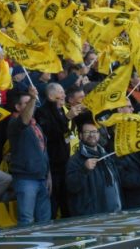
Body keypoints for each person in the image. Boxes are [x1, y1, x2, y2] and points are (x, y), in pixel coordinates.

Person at [35, 82, 82, 218]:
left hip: (66, 163)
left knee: (67, 203)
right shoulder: (42, 112)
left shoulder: (62, 110)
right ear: (51, 95)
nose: (64, 95)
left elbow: (66, 134)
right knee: (53, 203)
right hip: (52, 166)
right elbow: (50, 135)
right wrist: (67, 118)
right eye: (61, 92)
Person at [8, 87, 51, 226]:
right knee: (27, 221)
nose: (31, 105)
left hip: (42, 178)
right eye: (26, 103)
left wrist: (48, 175)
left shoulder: (37, 126)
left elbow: (43, 151)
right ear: (17, 107)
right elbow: (24, 120)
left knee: (44, 221)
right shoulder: (14, 123)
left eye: (31, 102)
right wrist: (33, 98)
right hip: (26, 179)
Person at [65, 120, 122, 216]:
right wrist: (84, 170)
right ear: (80, 136)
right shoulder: (75, 160)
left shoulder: (107, 156)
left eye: (94, 132)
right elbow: (72, 187)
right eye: (87, 132)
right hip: (94, 218)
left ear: (99, 135)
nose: (91, 135)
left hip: (116, 213)